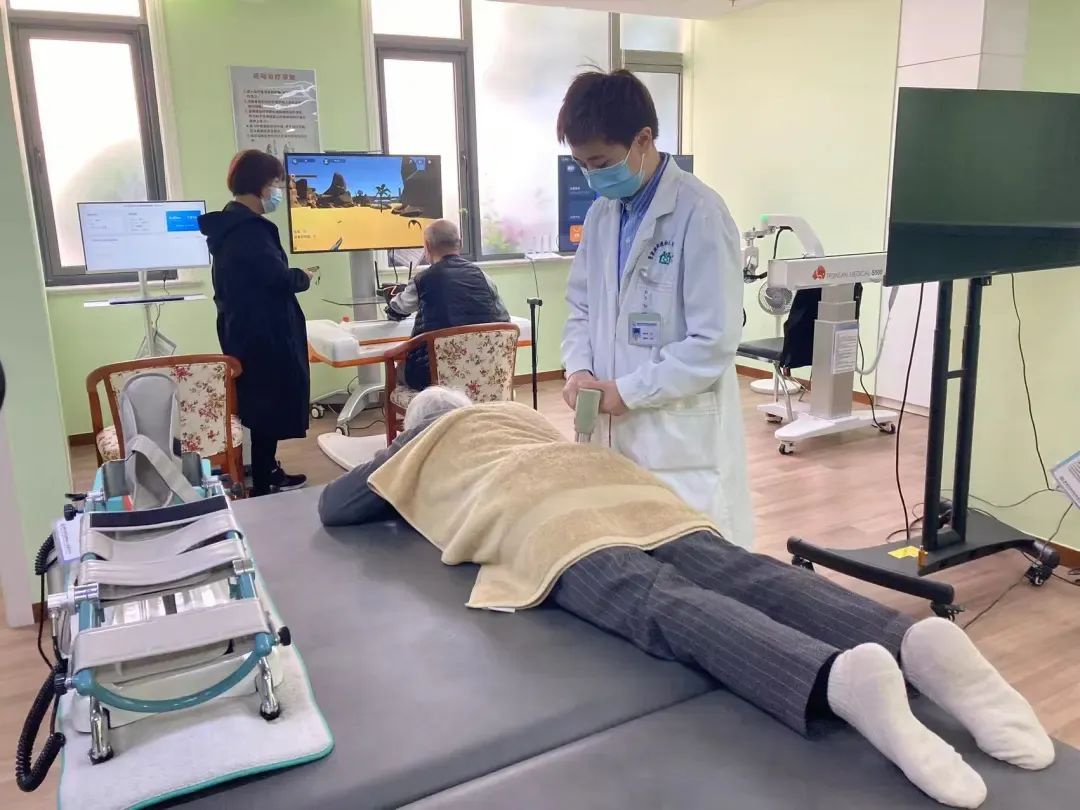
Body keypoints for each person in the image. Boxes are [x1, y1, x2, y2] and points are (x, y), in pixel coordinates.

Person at [319, 391, 1053, 810]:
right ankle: (911, 641)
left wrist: (401, 447)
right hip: (615, 482)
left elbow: (337, 506)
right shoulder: (514, 414)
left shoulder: (431, 438)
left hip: (538, 514)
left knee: (657, 601)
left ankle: (837, 680)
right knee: (745, 572)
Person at [556, 69, 753, 549]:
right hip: (611, 428)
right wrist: (578, 369)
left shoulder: (700, 213)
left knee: (693, 562)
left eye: (600, 162)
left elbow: (713, 342)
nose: (591, 176)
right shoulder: (603, 214)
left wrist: (630, 391)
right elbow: (581, 306)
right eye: (581, 164)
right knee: (624, 552)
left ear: (643, 139)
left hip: (677, 438)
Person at [199, 149, 314, 497]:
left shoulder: (230, 225)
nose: (279, 191)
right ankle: (263, 485)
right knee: (267, 406)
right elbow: (276, 278)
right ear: (262, 185)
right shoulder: (250, 231)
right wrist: (303, 277)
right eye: (277, 183)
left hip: (245, 329)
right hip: (263, 335)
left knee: (263, 404)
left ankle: (267, 470)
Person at [385, 220, 510, 391]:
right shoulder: (483, 276)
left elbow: (398, 309)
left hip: (432, 374)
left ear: (427, 247)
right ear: (461, 243)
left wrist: (391, 304)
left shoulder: (423, 279)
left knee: (398, 370)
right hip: (481, 371)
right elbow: (504, 319)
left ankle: (422, 409)